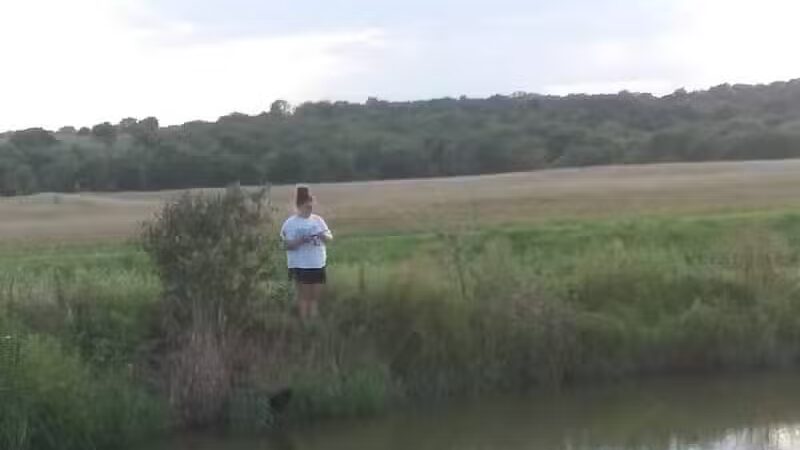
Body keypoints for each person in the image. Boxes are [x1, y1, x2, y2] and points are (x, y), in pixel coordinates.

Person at [280, 185, 333, 320]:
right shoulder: (290, 223)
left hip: (317, 263)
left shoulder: (318, 220)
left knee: (314, 298)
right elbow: (286, 245)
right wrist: (301, 240)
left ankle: (313, 325)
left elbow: (329, 238)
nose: (310, 210)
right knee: (303, 298)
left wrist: (323, 236)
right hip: (300, 265)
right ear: (299, 206)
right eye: (307, 207)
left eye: (311, 207)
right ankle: (304, 324)